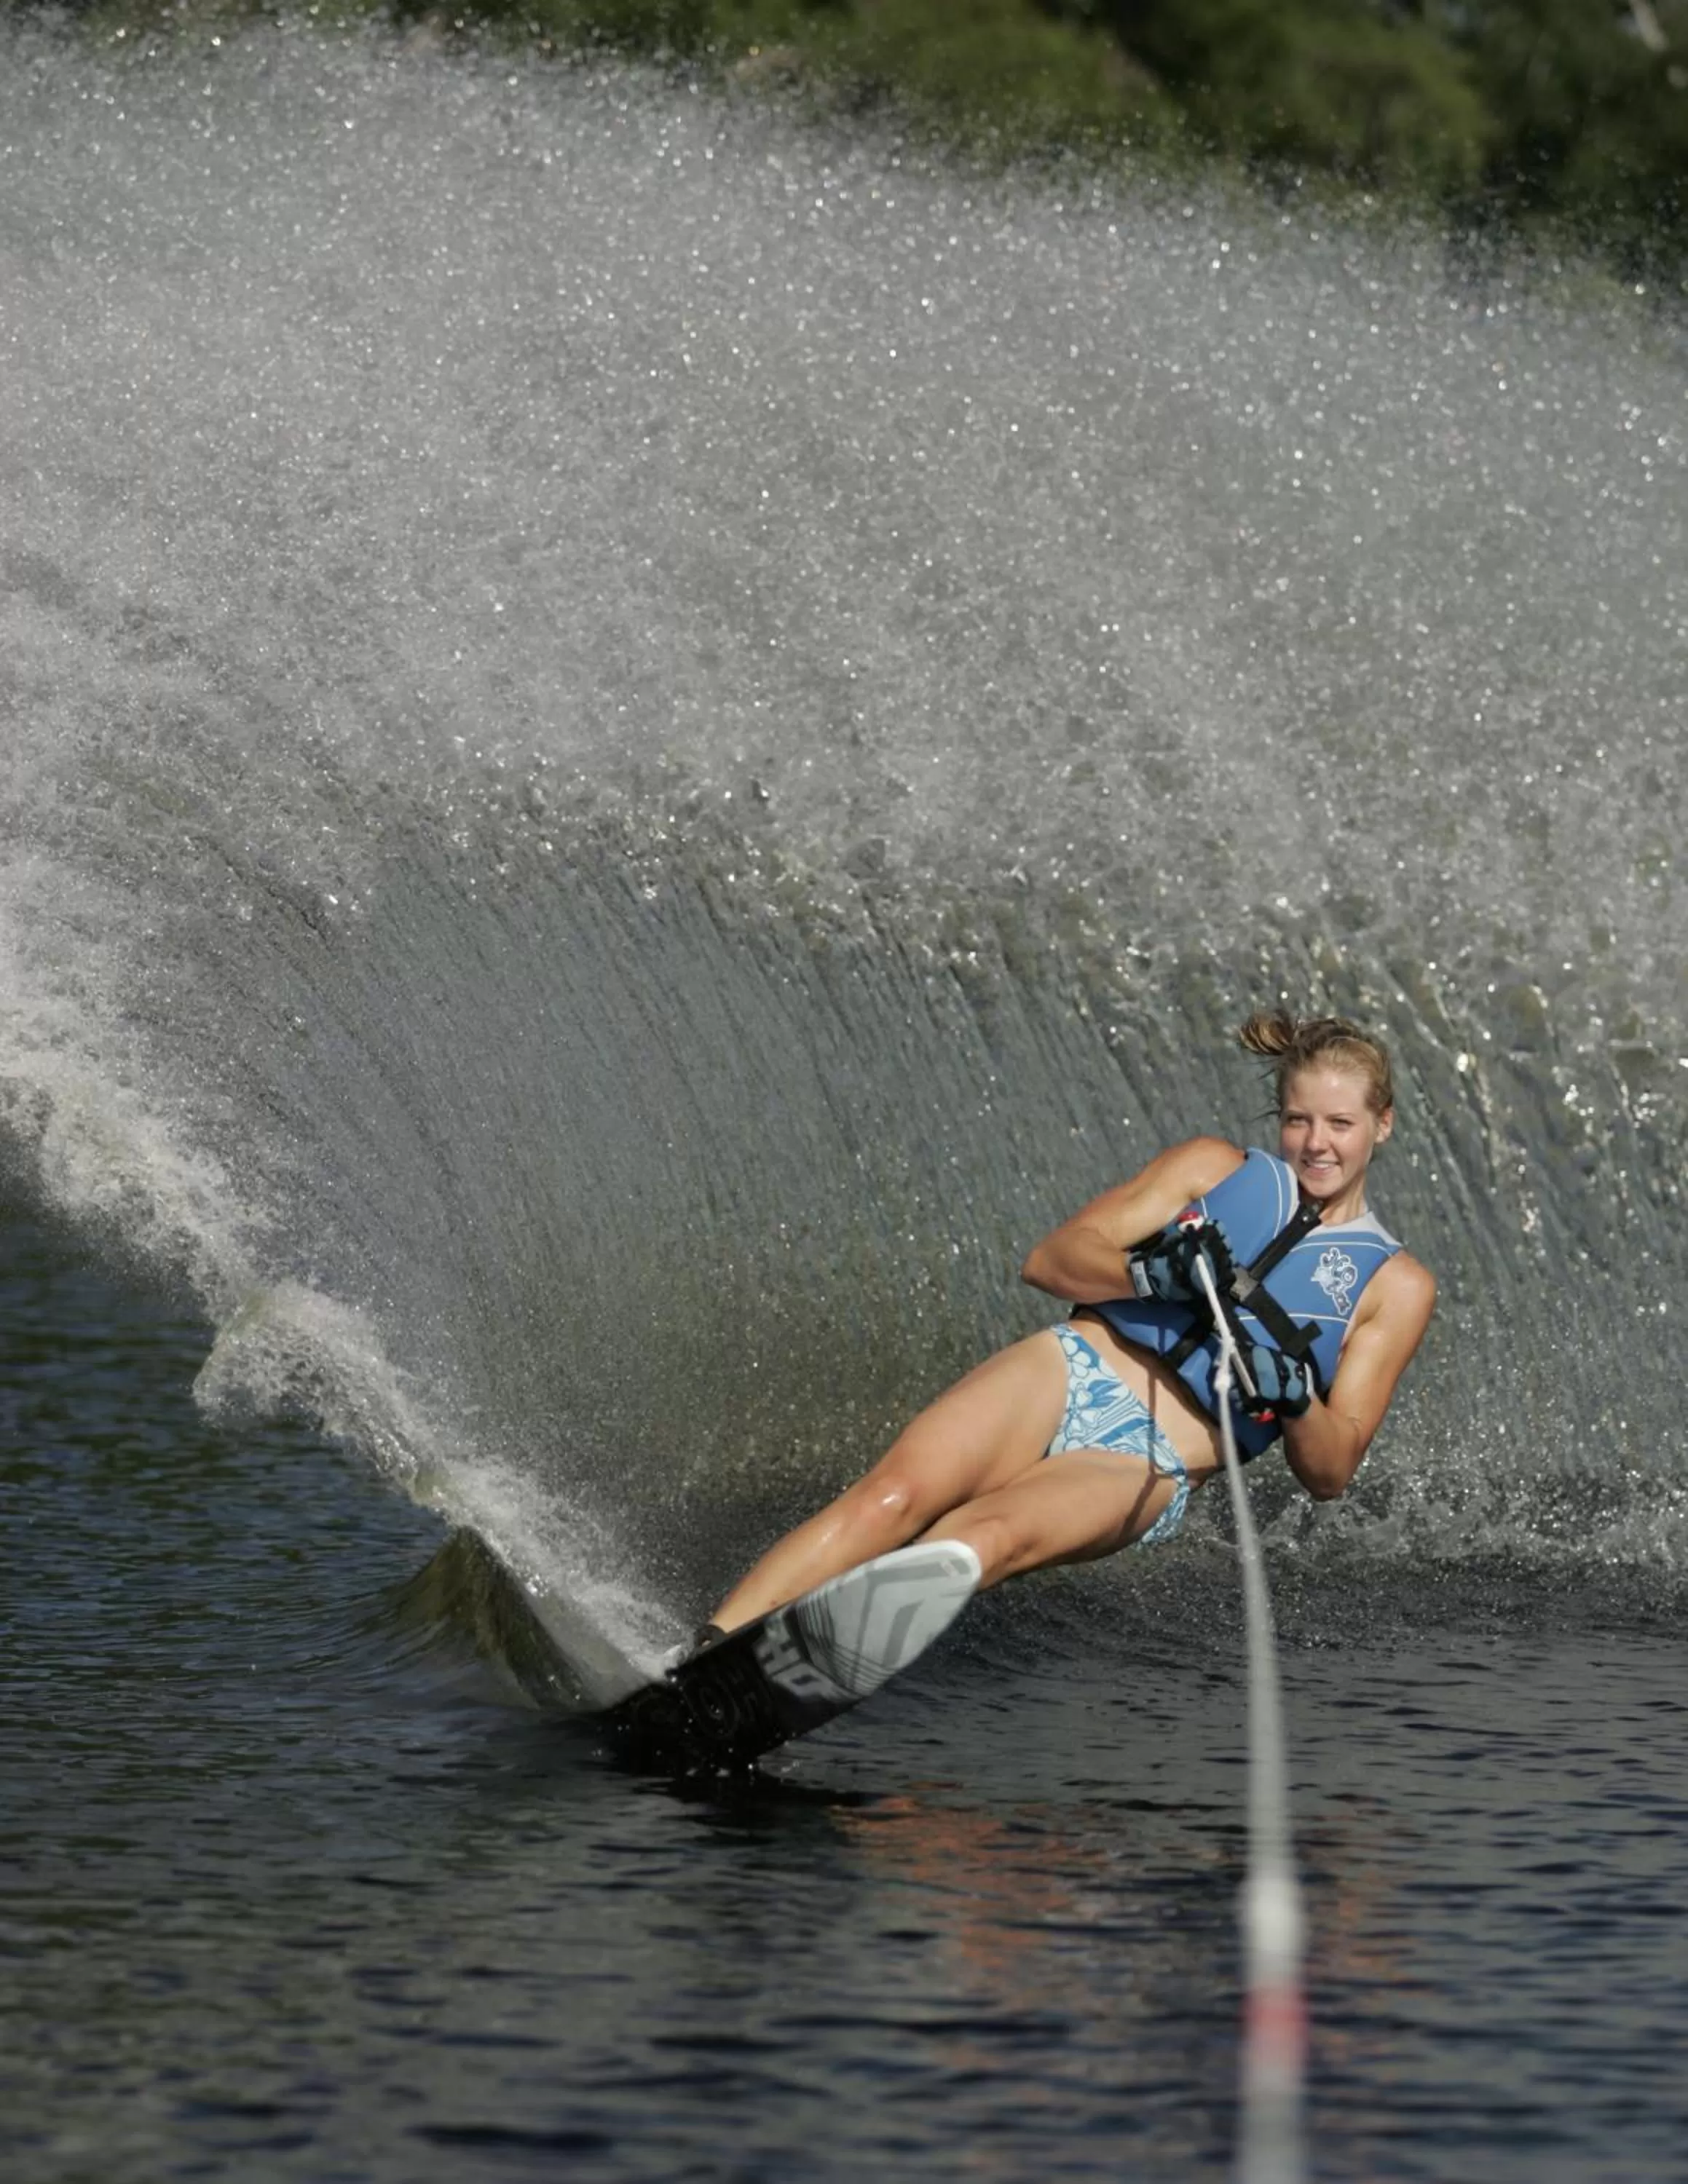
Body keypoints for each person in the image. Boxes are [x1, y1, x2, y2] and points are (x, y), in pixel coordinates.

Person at [703, 1011, 1436, 1641]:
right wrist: (1146, 1277)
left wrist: (1296, 1399)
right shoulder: (1210, 1167)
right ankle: (707, 1654)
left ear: (1382, 1124)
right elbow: (1051, 1259)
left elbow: (1331, 1470)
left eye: (1339, 1123)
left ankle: (804, 1660)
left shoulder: (1395, 1286)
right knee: (891, 1499)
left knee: (976, 1542)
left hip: (1148, 1459)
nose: (1315, 1143)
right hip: (1070, 1368)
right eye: (1297, 1119)